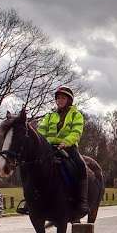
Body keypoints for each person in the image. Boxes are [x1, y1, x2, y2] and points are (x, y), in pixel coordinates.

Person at [37, 86, 89, 216]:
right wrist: (41, 144)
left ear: (69, 100)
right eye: (58, 98)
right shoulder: (49, 116)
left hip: (68, 147)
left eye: (63, 98)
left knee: (81, 166)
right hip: (49, 148)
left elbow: (76, 132)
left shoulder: (76, 115)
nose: (59, 100)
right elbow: (41, 131)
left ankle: (82, 201)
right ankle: (33, 200)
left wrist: (65, 142)